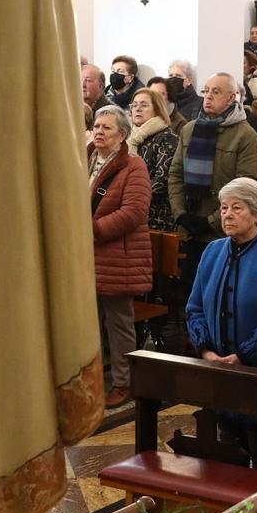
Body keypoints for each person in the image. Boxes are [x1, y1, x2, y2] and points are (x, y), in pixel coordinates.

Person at [186, 178, 257, 375]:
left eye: (236, 208)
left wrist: (243, 355)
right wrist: (206, 351)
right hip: (217, 369)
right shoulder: (212, 251)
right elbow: (195, 308)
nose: (227, 215)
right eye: (224, 208)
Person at [87, 105, 152, 409]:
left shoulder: (133, 166)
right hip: (86, 256)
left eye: (106, 128)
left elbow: (133, 213)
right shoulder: (85, 158)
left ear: (122, 134)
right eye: (97, 126)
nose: (99, 132)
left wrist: (92, 230)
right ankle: (93, 380)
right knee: (89, 322)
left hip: (117, 257)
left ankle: (125, 383)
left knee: (118, 322)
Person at [168, 72, 257, 254]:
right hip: (189, 227)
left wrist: (210, 222)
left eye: (216, 92)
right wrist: (180, 214)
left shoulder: (246, 135)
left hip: (224, 232)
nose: (208, 96)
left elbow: (244, 187)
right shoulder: (189, 129)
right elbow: (176, 174)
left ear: (231, 98)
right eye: (206, 91)